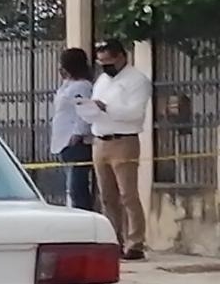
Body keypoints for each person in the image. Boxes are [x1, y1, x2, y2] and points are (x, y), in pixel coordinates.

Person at [89, 39, 151, 260]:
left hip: (123, 141)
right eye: (101, 62)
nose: (105, 66)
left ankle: (135, 243)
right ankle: (113, 239)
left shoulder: (137, 81)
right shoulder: (102, 81)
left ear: (121, 57)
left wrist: (107, 108)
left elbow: (135, 113)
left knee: (128, 195)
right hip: (100, 140)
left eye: (109, 61)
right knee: (107, 196)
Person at [50, 48, 96, 211]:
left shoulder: (83, 86)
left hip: (76, 141)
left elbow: (84, 112)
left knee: (77, 187)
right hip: (63, 141)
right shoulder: (67, 85)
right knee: (70, 188)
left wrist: (77, 133)